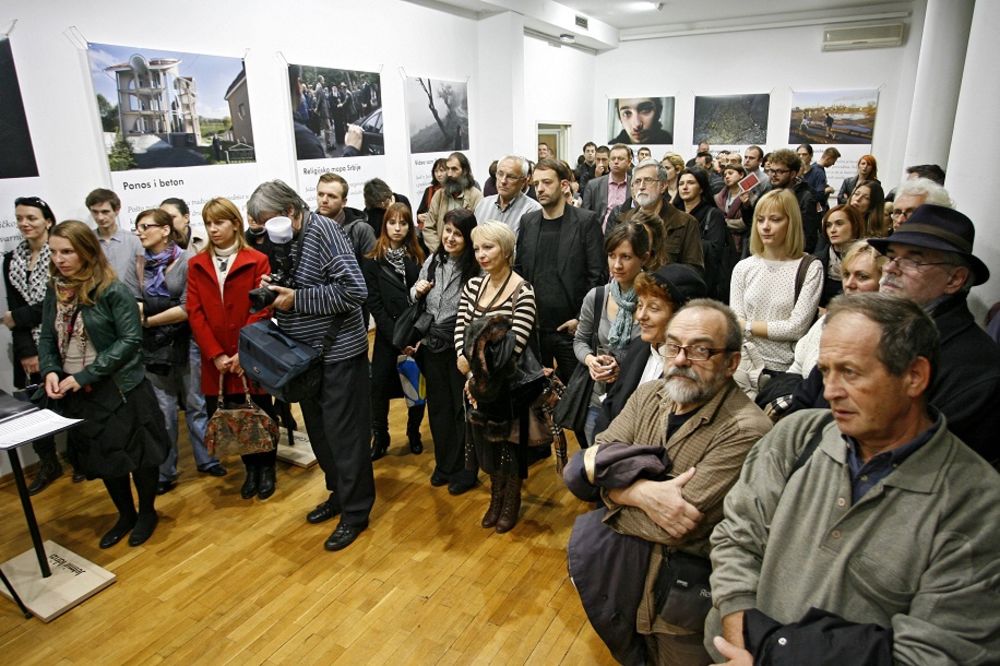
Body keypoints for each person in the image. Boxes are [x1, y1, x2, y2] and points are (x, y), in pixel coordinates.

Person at [706, 293, 1000, 665]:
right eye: (825, 371)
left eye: (850, 372)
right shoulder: (799, 436)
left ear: (914, 376)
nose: (830, 391)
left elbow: (936, 652)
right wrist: (743, 646)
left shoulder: (974, 501)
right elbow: (735, 540)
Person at [570, 300, 771, 665]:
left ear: (732, 363)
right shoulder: (650, 395)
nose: (680, 359)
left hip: (682, 605)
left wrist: (607, 495)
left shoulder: (747, 431)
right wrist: (638, 492)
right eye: (673, 345)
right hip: (625, 580)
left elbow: (674, 526)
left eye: (700, 350)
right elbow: (591, 462)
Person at [787, 205, 1000, 469]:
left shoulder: (978, 370)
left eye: (913, 259)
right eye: (891, 256)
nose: (891, 269)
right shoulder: (863, 327)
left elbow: (922, 465)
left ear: (955, 279)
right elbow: (805, 400)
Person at [246, 180, 372, 551]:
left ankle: (356, 512)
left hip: (338, 354)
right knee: (320, 434)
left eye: (268, 223)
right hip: (304, 355)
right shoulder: (283, 239)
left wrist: (296, 299)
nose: (265, 232)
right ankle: (338, 495)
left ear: (290, 213)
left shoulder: (325, 231)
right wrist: (275, 286)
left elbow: (354, 291)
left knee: (345, 438)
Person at [38, 220, 169, 548]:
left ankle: (147, 513)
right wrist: (51, 370)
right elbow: (47, 338)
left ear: (86, 251)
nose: (59, 258)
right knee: (105, 458)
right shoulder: (56, 290)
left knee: (139, 456)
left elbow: (129, 340)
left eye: (67, 251)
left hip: (121, 387)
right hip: (80, 392)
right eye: (54, 252)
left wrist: (83, 376)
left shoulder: (111, 289)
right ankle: (125, 514)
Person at [185, 197, 277, 500]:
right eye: (208, 222)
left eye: (219, 222)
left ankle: (267, 468)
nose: (213, 229)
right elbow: (195, 313)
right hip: (218, 359)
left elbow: (261, 309)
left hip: (250, 351)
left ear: (235, 223)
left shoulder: (257, 259)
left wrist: (243, 350)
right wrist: (216, 354)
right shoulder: (196, 264)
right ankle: (250, 469)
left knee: (260, 411)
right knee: (231, 413)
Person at [515, 158, 605, 446]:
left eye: (547, 182)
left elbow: (597, 274)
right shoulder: (529, 222)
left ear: (564, 185)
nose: (539, 189)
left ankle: (590, 455)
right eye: (536, 183)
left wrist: (582, 318)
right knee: (536, 394)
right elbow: (521, 270)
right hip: (535, 326)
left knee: (580, 399)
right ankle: (540, 447)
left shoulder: (586, 221)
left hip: (571, 328)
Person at [134, 208, 224, 495]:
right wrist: (147, 317)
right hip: (153, 348)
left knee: (196, 403)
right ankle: (165, 470)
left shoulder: (188, 261)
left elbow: (187, 308)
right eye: (138, 227)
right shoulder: (136, 264)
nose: (140, 232)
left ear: (164, 230)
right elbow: (132, 299)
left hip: (188, 343)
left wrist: (148, 319)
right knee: (164, 411)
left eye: (146, 226)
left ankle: (207, 459)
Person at [455, 222, 537, 533]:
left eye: (488, 247)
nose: (481, 254)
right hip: (475, 383)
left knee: (510, 445)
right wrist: (462, 360)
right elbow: (461, 329)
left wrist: (479, 372)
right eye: (477, 248)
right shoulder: (473, 286)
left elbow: (515, 346)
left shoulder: (522, 290)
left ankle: (510, 500)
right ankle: (495, 498)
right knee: (484, 444)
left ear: (505, 249)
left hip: (507, 384)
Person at [592, 264, 707, 437]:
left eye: (653, 308)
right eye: (639, 305)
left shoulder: (694, 371)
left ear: (682, 315)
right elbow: (611, 406)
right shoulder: (639, 347)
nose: (640, 316)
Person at [412, 209, 480, 495]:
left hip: (459, 349)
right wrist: (417, 291)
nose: (451, 238)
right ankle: (444, 465)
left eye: (458, 233)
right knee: (438, 409)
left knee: (460, 410)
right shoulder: (431, 261)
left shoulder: (475, 268)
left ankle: (466, 470)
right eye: (447, 231)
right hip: (431, 347)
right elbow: (415, 297)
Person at [4, 197, 69, 493]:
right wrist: (27, 351)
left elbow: (54, 302)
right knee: (36, 404)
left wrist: (16, 317)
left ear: (48, 220)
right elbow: (13, 307)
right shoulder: (12, 259)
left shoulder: (59, 257)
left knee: (69, 399)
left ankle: (78, 458)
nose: (24, 223)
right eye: (19, 218)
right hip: (30, 343)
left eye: (31, 217)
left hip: (62, 337)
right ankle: (48, 461)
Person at [730, 189, 823, 374]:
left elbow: (795, 328)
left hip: (785, 369)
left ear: (791, 222)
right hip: (744, 366)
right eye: (760, 219)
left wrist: (747, 326)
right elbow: (735, 322)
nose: (765, 226)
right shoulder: (743, 267)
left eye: (775, 219)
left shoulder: (810, 267)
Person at [573, 222, 649, 446]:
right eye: (611, 255)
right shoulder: (596, 297)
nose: (617, 265)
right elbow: (580, 340)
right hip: (598, 399)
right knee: (594, 463)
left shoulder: (654, 301)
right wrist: (591, 360)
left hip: (637, 401)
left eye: (626, 257)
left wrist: (622, 366)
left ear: (643, 258)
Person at [362, 203, 426, 460]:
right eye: (392, 222)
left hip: (415, 336)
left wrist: (413, 338)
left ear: (410, 227)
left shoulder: (419, 257)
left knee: (416, 390)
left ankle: (414, 433)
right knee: (378, 390)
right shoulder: (372, 260)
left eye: (403, 223)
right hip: (388, 337)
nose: (397, 228)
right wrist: (397, 339)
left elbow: (424, 302)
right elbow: (375, 304)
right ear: (384, 225)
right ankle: (381, 437)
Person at [786, 241, 886, 379]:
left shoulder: (884, 334)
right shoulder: (829, 319)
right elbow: (796, 368)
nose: (849, 284)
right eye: (846, 274)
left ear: (883, 281)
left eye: (862, 277)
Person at [607, 158, 704, 272]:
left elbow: (693, 272)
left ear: (663, 186)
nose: (641, 186)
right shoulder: (623, 220)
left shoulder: (685, 222)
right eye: (637, 182)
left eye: (648, 180)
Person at [675, 168, 732, 302]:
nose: (685, 187)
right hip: (677, 281)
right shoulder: (674, 215)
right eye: (681, 184)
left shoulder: (713, 214)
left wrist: (684, 242)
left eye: (690, 183)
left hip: (704, 282)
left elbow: (715, 249)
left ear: (701, 188)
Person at [753, 149, 820, 254]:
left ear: (793, 174)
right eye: (771, 170)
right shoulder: (768, 191)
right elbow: (753, 223)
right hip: (767, 253)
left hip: (792, 255)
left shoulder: (806, 197)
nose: (773, 175)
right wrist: (747, 206)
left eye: (780, 171)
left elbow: (808, 235)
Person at [85, 188, 143, 297]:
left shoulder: (134, 240)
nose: (100, 217)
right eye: (95, 212)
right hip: (99, 303)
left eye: (105, 212)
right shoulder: (87, 241)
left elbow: (142, 277)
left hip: (132, 300)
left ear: (117, 210)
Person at [425, 152, 482, 254]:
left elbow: (480, 231)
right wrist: (440, 251)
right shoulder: (439, 195)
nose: (450, 174)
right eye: (448, 169)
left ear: (464, 171)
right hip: (440, 254)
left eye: (454, 169)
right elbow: (428, 227)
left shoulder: (476, 196)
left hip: (466, 256)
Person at [472, 155, 541, 237]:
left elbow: (527, 247)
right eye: (500, 174)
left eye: (511, 177)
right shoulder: (483, 205)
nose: (503, 181)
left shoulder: (532, 210)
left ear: (523, 182)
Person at [814, 203, 866, 307]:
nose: (832, 230)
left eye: (839, 223)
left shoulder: (867, 259)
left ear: (854, 226)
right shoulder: (816, 261)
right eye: (828, 225)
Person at [315, 173, 374, 259]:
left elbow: (371, 269)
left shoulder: (361, 230)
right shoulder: (309, 226)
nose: (324, 200)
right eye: (320, 194)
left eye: (331, 196)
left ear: (343, 202)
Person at [582, 143, 631, 230]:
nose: (616, 162)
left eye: (620, 159)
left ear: (629, 162)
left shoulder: (635, 184)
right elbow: (585, 215)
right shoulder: (593, 185)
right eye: (613, 158)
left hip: (628, 234)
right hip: (600, 235)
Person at [416, 158, 448, 234]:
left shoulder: (455, 190)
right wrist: (419, 217)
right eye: (436, 171)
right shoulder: (429, 190)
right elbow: (420, 212)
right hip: (430, 231)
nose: (438, 174)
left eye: (442, 170)